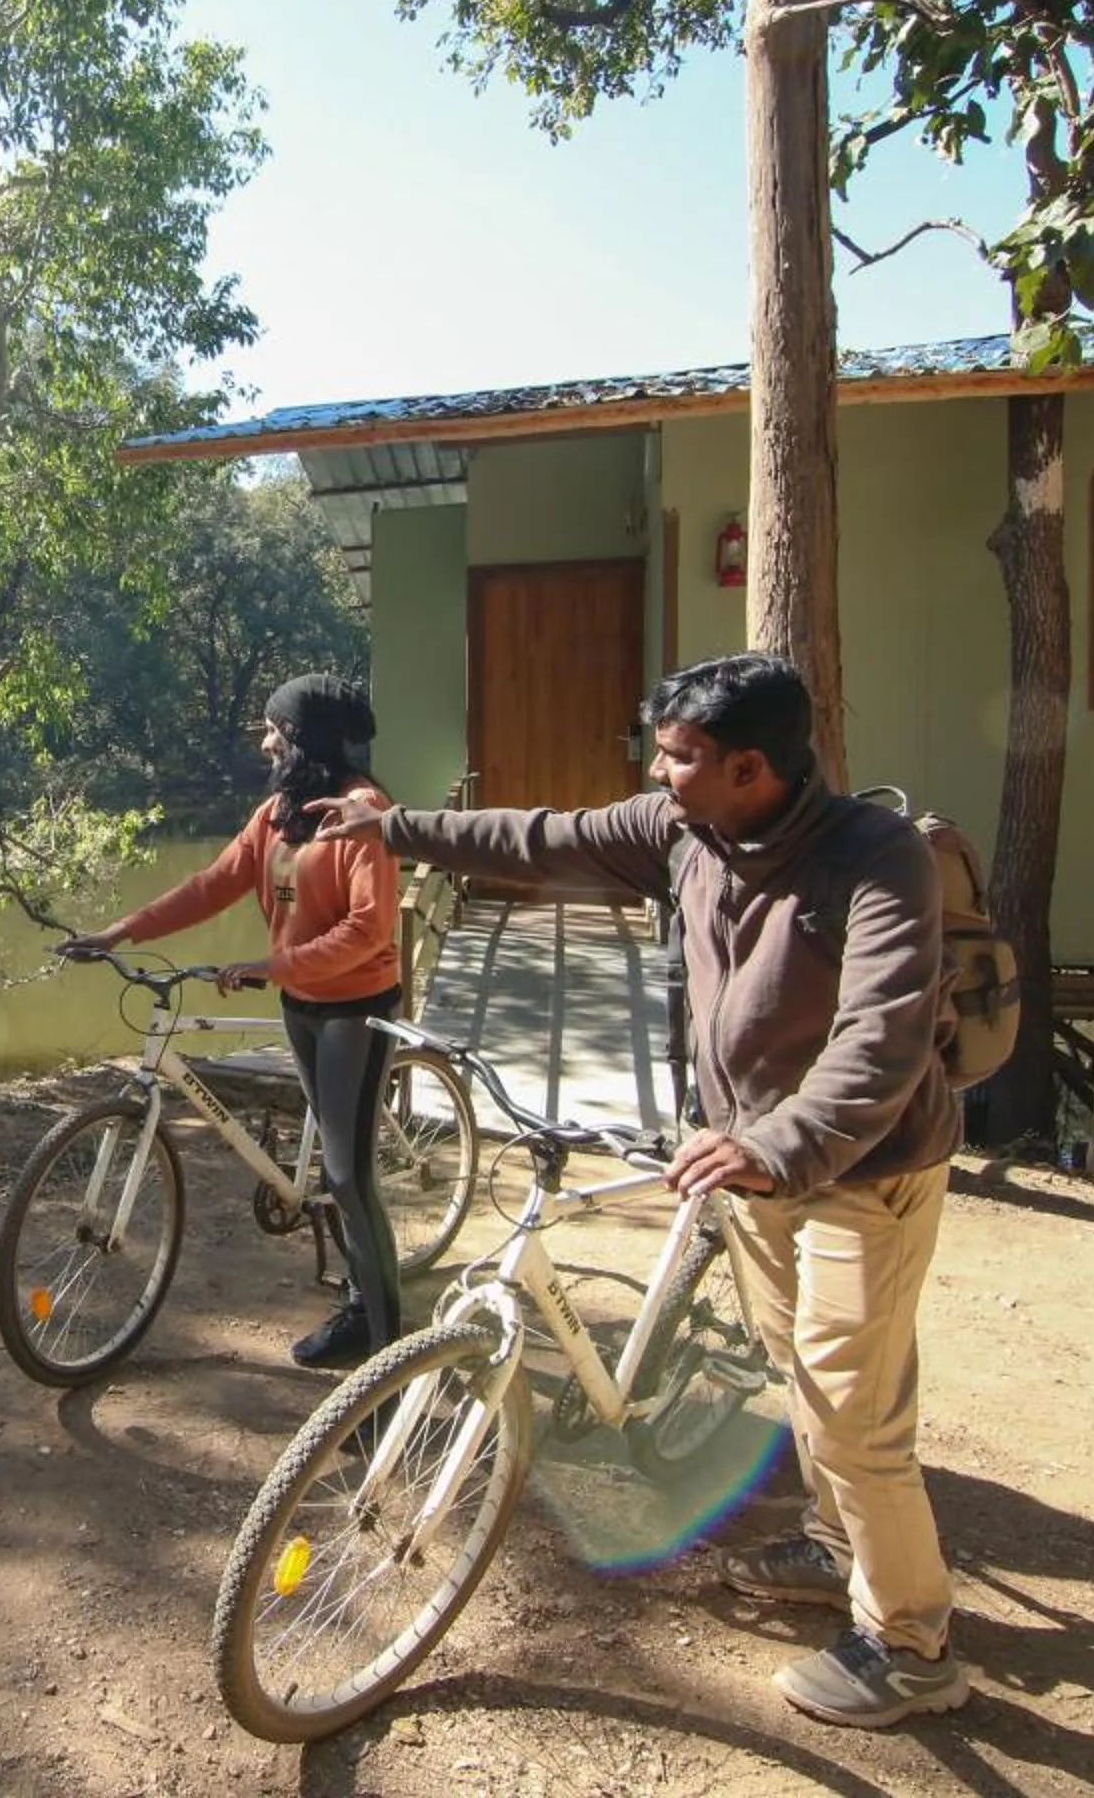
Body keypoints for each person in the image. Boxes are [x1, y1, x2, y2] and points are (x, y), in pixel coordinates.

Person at [306, 651, 969, 1729]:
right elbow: (542, 834)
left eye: (678, 755)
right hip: (753, 1157)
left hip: (864, 1168)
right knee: (797, 1364)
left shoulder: (877, 858)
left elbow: (881, 1038)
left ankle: (910, 1644)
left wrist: (779, 1141)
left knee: (852, 1406)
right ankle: (838, 1546)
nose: (658, 772)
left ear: (750, 766)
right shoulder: (687, 829)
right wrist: (396, 827)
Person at [62, 672, 406, 1371]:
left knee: (347, 1176)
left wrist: (270, 966)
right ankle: (361, 1310)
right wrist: (120, 931)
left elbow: (370, 931)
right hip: (301, 1001)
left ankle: (389, 1358)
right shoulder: (277, 814)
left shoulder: (363, 811)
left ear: (302, 735)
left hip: (355, 1007)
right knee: (332, 1170)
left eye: (275, 727)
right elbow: (211, 886)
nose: (265, 739)